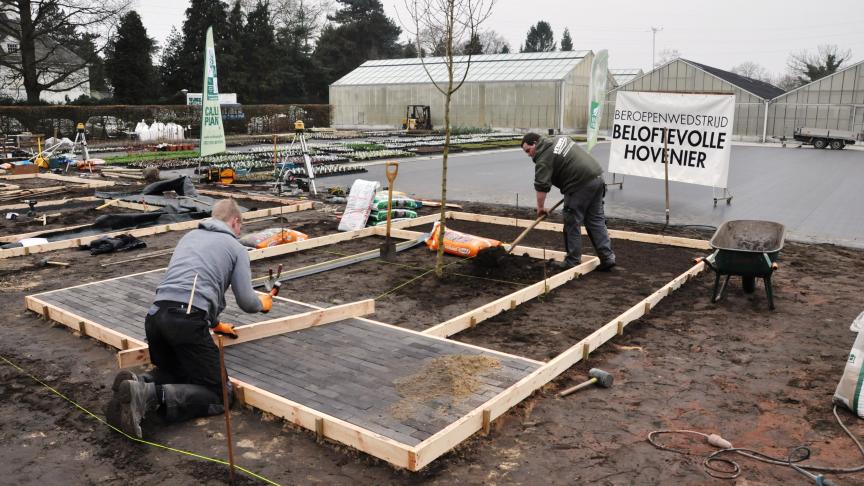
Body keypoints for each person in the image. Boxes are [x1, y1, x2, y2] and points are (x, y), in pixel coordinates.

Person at [106, 199, 272, 438]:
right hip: (185, 322)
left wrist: (215, 324)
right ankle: (148, 396)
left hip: (156, 318)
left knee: (182, 374)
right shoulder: (235, 248)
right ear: (235, 221)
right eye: (240, 227)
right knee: (221, 395)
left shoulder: (189, 237)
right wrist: (263, 303)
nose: (239, 232)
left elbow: (192, 285)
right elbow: (247, 302)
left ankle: (137, 383)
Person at [521, 132, 616, 271]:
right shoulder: (560, 138)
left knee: (572, 222)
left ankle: (572, 261)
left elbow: (541, 186)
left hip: (578, 185)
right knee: (595, 220)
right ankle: (607, 258)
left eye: (528, 150)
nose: (529, 154)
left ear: (535, 143)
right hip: (597, 178)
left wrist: (540, 208)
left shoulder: (543, 158)